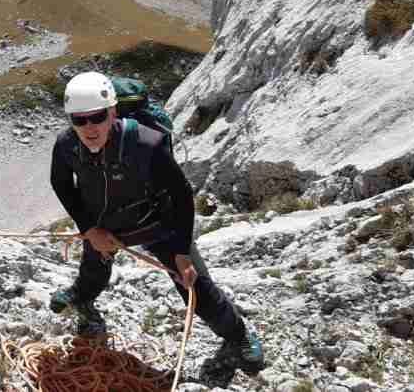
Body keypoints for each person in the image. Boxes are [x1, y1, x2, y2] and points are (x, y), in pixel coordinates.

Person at [48, 71, 264, 372]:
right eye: (79, 120)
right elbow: (61, 182)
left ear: (112, 112)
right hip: (105, 226)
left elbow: (181, 196)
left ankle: (239, 336)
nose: (90, 127)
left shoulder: (147, 144)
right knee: (93, 271)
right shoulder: (67, 144)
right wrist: (90, 229)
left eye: (97, 117)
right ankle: (82, 301)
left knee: (196, 290)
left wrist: (181, 252)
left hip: (158, 225)